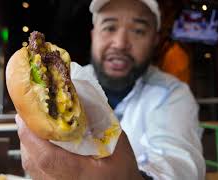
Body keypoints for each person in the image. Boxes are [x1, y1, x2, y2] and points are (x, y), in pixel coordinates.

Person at [16, 0, 205, 179]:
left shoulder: (172, 93)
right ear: (93, 34)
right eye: (109, 27)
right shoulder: (69, 80)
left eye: (138, 31)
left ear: (154, 40)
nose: (120, 43)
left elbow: (181, 164)